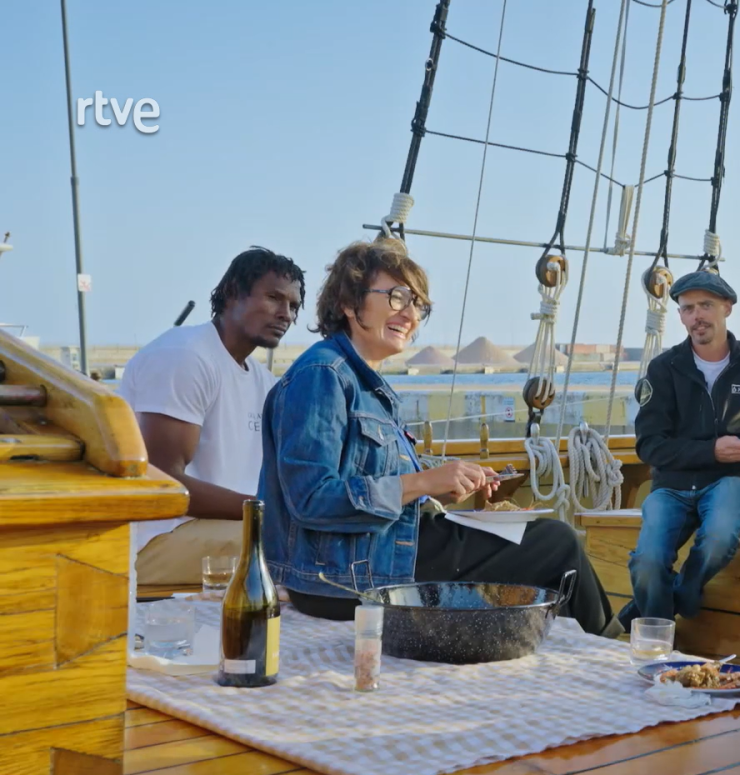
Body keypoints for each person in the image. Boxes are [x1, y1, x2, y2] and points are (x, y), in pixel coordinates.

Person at [258, 238, 615, 634]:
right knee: (556, 543)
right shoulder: (322, 376)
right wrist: (423, 481)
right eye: (396, 297)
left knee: (531, 545)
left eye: (418, 305)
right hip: (344, 577)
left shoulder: (362, 384)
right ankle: (613, 649)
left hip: (375, 554)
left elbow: (371, 482)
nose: (410, 314)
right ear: (348, 301)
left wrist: (439, 489)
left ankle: (575, 650)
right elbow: (311, 499)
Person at [121, 246, 304, 590]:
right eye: (274, 298)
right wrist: (267, 512)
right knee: (294, 551)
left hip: (232, 527)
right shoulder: (185, 356)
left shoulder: (263, 381)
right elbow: (162, 483)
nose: (286, 314)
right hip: (157, 537)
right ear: (233, 292)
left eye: (293, 306)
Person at [621, 269, 740, 628]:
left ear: (727, 307)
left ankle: (682, 593)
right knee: (647, 561)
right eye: (688, 308)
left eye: (705, 305)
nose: (697, 316)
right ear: (680, 315)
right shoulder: (663, 370)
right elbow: (649, 446)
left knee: (720, 537)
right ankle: (660, 645)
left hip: (732, 480)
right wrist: (711, 451)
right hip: (672, 486)